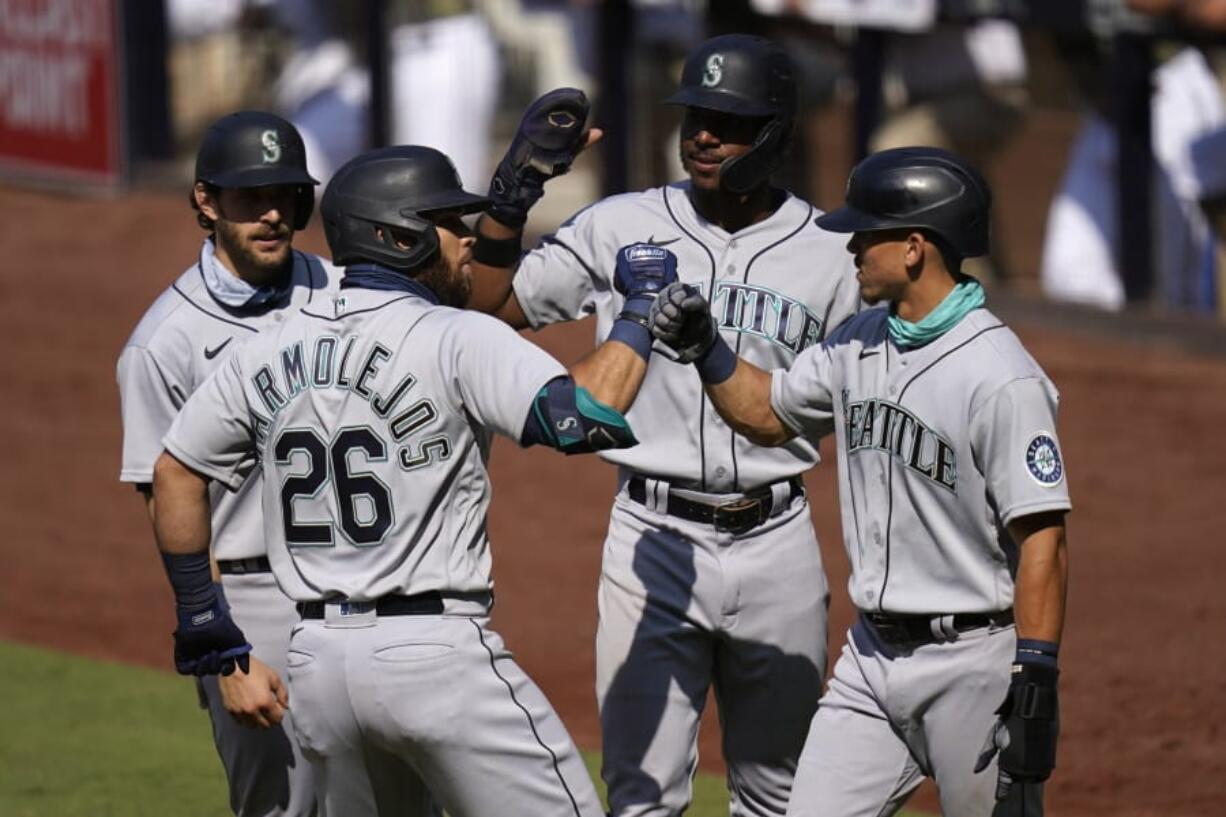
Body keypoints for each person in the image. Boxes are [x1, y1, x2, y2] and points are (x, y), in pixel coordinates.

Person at [147, 144, 677, 817]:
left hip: (318, 667)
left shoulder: (266, 347)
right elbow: (584, 416)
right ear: (400, 235)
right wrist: (640, 310)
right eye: (452, 225)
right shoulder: (452, 335)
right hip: (435, 658)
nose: (467, 245)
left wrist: (204, 620)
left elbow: (175, 470)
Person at [468, 34, 862, 817]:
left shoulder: (835, 253)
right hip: (651, 540)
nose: (703, 135)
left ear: (775, 133)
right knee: (641, 794)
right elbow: (492, 305)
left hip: (777, 542)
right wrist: (510, 201)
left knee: (779, 795)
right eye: (695, 118)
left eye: (728, 121)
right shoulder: (619, 224)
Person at [649, 146, 1071, 817]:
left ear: (913, 248)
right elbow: (767, 412)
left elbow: (1042, 535)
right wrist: (709, 348)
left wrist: (1038, 670)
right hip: (870, 662)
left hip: (973, 663)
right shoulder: (858, 340)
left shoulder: (1000, 376)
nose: (850, 249)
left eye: (864, 235)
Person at [117, 110, 335, 817]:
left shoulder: (340, 293)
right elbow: (166, 499)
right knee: (283, 808)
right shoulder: (164, 344)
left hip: (367, 584)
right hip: (253, 600)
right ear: (205, 202)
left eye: (287, 196)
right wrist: (224, 650)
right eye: (250, 198)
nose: (273, 215)